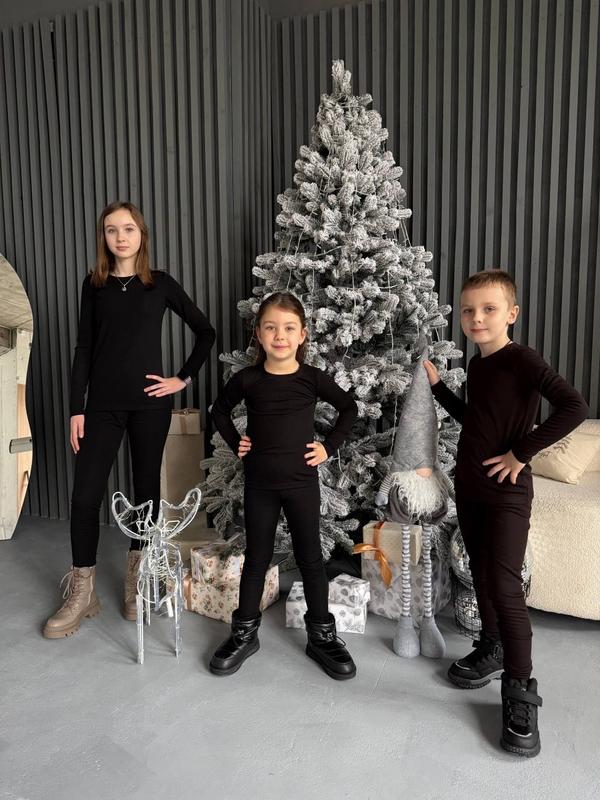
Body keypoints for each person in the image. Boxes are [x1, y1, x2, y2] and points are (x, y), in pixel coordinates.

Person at [423, 269, 588, 758]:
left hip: (507, 494)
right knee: (479, 571)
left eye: (489, 309)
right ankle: (492, 648)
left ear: (511, 314)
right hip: (471, 487)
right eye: (468, 310)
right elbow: (476, 420)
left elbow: (574, 407)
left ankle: (519, 687)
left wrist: (521, 453)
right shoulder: (480, 366)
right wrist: (439, 389)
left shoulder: (522, 360)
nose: (476, 318)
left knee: (504, 585)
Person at [43, 201, 216, 639]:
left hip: (148, 406)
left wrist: (181, 379)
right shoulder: (94, 285)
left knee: (145, 494)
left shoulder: (160, 284)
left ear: (142, 235)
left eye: (128, 229)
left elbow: (206, 332)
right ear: (103, 237)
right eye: (111, 229)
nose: (120, 237)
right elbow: (84, 348)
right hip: (101, 406)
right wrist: (76, 408)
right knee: (85, 497)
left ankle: (137, 578)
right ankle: (82, 591)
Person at [209, 291, 358, 680]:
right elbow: (219, 411)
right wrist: (235, 442)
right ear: (258, 334)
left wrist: (328, 447)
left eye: (289, 328)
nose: (280, 335)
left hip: (301, 485)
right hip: (260, 485)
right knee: (256, 559)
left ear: (302, 334)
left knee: (311, 559)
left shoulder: (311, 379)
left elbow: (349, 408)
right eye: (271, 328)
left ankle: (322, 636)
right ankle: (244, 634)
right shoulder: (248, 379)